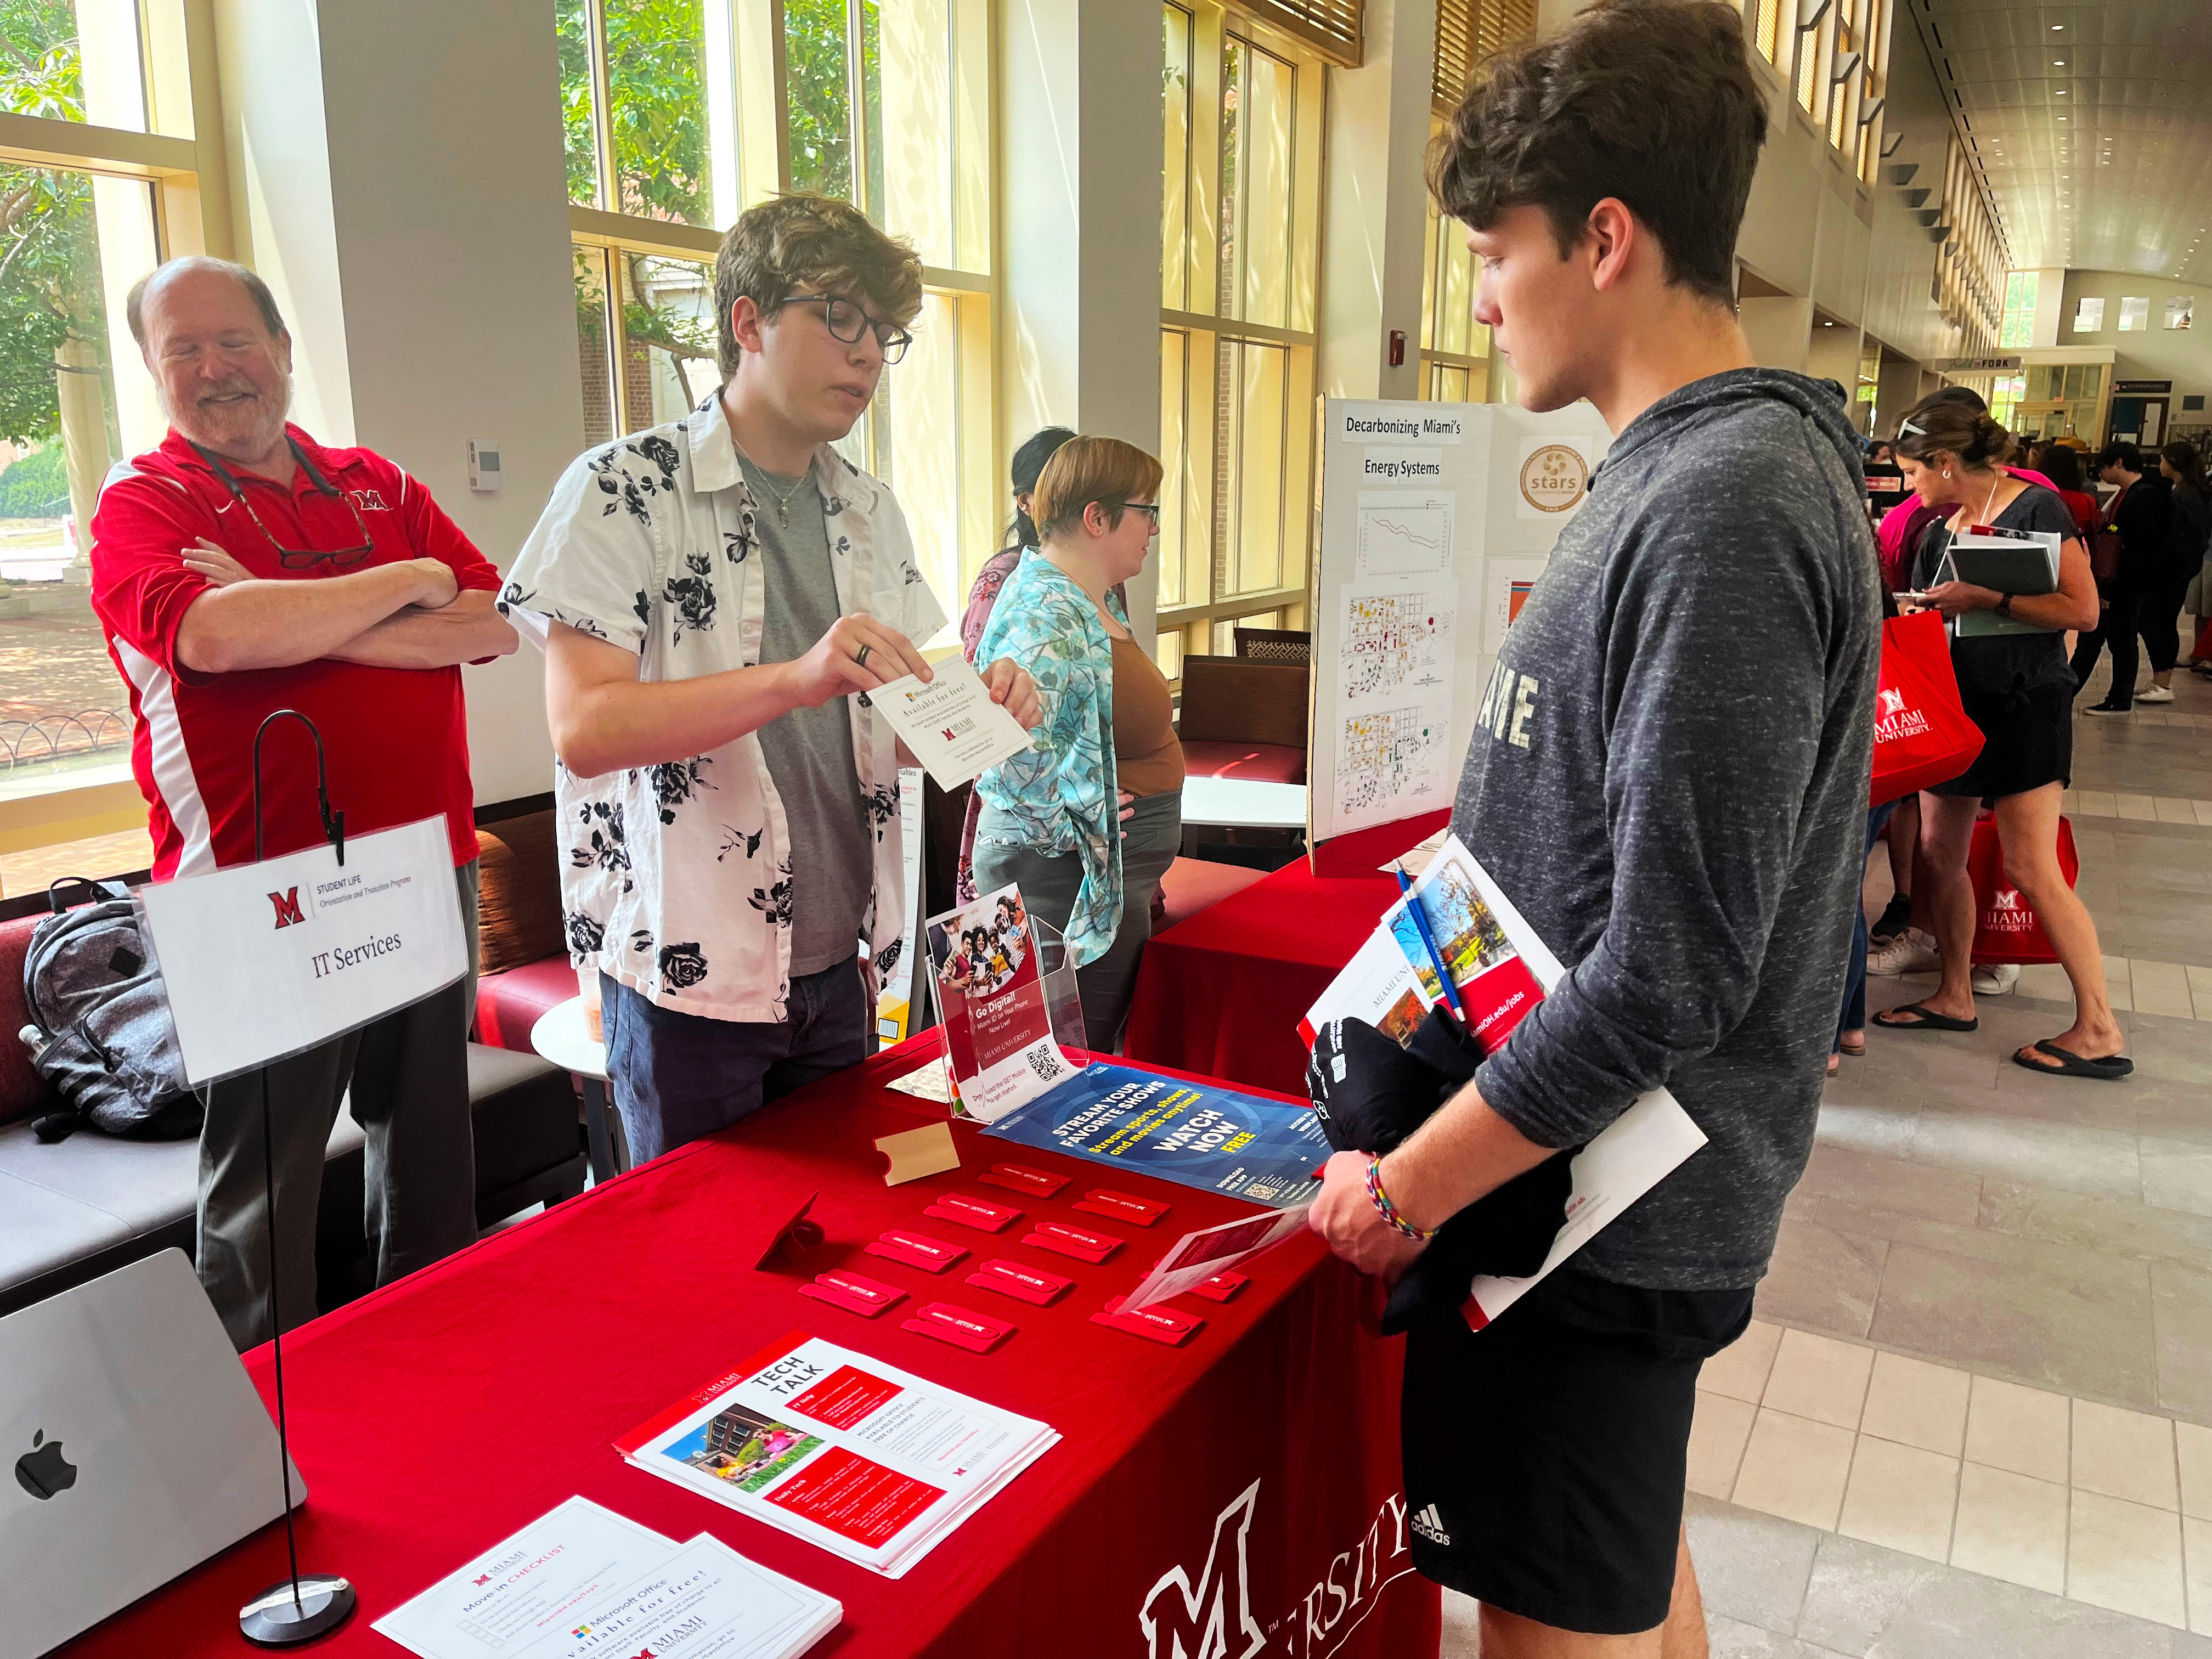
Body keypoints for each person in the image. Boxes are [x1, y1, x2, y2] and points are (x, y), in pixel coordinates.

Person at [1308, 4, 1880, 1652]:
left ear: (1606, 240)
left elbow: (1673, 969)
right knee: (1613, 1574)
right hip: (1587, 1190)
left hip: (1602, 1207)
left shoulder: (1724, 505)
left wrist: (1417, 1183)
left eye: (1497, 251)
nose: (1481, 295)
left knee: (1549, 1620)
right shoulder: (1674, 475)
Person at [502, 194, 1039, 1163]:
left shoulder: (868, 508)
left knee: (831, 1249)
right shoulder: (625, 487)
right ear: (747, 321)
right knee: (706, 1276)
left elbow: (911, 719)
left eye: (884, 330)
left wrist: (986, 705)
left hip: (839, 957)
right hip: (688, 974)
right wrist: (793, 678)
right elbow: (584, 724)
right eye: (839, 317)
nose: (869, 351)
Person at [89, 255, 517, 1348]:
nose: (214, 367)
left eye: (234, 340)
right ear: (152, 370)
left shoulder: (380, 479)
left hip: (424, 863)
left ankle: (429, 1354)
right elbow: (215, 637)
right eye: (181, 348)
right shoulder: (143, 503)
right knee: (262, 1186)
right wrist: (402, 582)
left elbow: (489, 623)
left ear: (284, 351)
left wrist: (304, 610)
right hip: (256, 891)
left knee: (427, 1144)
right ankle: (261, 1424)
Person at [1869, 396, 2126, 1076]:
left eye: (1916, 473)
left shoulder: (2037, 511)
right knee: (1937, 853)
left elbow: (2084, 609)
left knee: (2030, 866)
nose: (1912, 487)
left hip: (2026, 704)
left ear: (1947, 462)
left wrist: (1991, 600)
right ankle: (1955, 992)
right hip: (1960, 708)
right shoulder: (1937, 533)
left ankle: (2099, 1027)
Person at [971, 437, 1181, 1053]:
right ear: (1098, 517)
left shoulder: (1087, 598)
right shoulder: (1044, 610)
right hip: (1057, 884)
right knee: (1057, 1067)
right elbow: (1006, 750)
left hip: (1094, 880)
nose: (1155, 529)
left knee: (1079, 1059)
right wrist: (1074, 826)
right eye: (1149, 511)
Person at [952, 426, 1087, 906]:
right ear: (1026, 501)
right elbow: (986, 700)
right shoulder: (1007, 579)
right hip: (1035, 816)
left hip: (1095, 814)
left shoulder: (1100, 578)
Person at [1873, 385, 2053, 594]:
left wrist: (1986, 600)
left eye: (1912, 472)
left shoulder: (2036, 501)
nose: (1908, 485)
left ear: (1944, 460)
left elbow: (2077, 607)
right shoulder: (1931, 525)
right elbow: (1907, 601)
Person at [2070, 441, 2177, 715]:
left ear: (2118, 463)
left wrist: (2113, 591)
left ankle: (2119, 699)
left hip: (2129, 585)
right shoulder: (2130, 493)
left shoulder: (2145, 497)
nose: (2100, 474)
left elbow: (2139, 550)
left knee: (2121, 641)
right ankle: (2068, 693)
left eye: (2103, 467)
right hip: (2122, 583)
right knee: (2095, 639)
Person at [2155, 442, 2211, 675]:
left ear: (2174, 463)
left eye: (2162, 459)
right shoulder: (2182, 490)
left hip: (2182, 566)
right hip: (2185, 565)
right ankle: (2195, 655)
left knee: (2166, 620)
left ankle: (2163, 677)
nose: (2160, 465)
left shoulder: (2187, 494)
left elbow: (2189, 535)